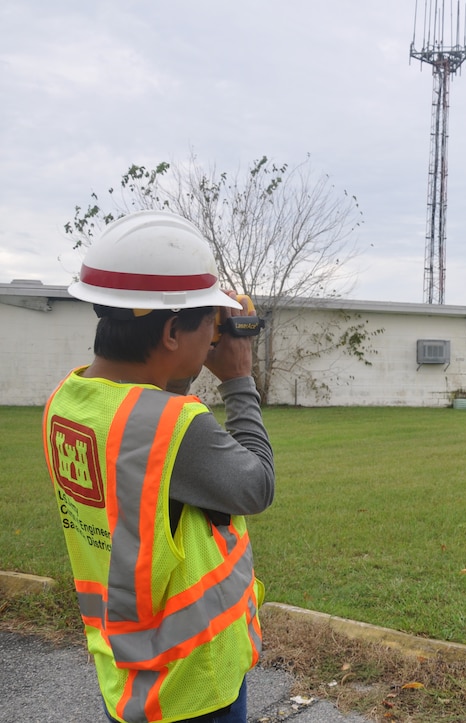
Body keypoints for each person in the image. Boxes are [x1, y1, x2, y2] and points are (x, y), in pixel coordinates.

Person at [42, 210, 275, 723]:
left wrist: (185, 358)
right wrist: (238, 379)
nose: (215, 338)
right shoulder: (175, 427)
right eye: (208, 325)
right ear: (171, 331)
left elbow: (147, 416)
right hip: (194, 683)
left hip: (127, 671)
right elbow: (256, 486)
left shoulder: (68, 403)